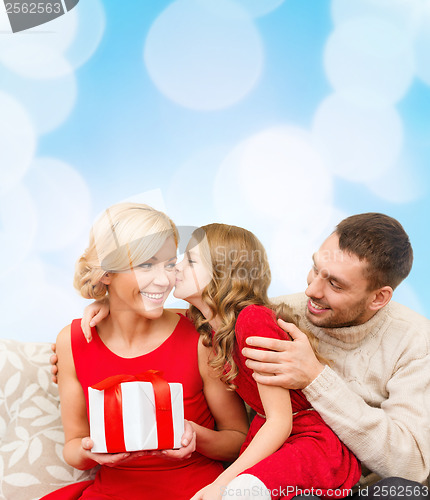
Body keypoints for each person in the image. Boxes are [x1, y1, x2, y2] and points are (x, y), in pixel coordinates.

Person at [43, 203, 249, 500]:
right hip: (112, 492)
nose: (164, 280)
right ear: (106, 273)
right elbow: (73, 447)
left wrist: (193, 435)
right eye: (146, 265)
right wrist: (92, 452)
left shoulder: (198, 335)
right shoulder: (72, 341)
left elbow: (237, 439)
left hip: (196, 491)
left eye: (169, 264)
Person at [241, 213, 430, 499]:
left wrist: (315, 378)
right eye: (314, 269)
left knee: (404, 492)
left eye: (336, 285)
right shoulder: (278, 314)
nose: (311, 290)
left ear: (378, 298)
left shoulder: (415, 340)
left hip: (366, 489)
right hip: (292, 479)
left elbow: (410, 466)